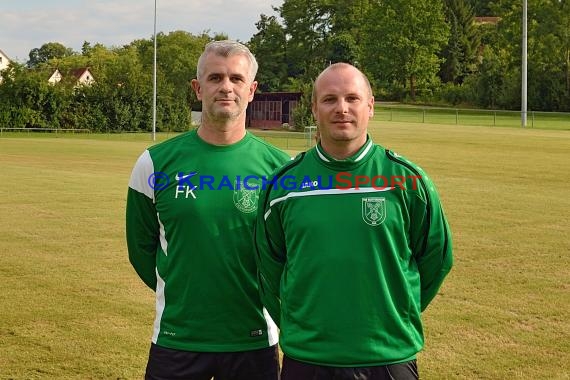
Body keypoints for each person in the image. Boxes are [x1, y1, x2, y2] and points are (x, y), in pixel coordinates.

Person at [255, 62, 453, 380]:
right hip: (308, 357)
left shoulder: (408, 180)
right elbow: (268, 267)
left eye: (352, 98)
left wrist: (396, 312)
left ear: (370, 106)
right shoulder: (283, 185)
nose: (341, 109)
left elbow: (436, 260)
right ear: (314, 109)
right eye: (330, 99)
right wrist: (301, 323)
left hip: (389, 356)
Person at [126, 40, 290, 380]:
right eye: (215, 78)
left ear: (252, 89)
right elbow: (142, 251)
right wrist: (184, 289)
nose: (226, 87)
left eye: (236, 79)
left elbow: (289, 256)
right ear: (198, 88)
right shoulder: (154, 163)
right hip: (177, 338)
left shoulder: (281, 169)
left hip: (253, 339)